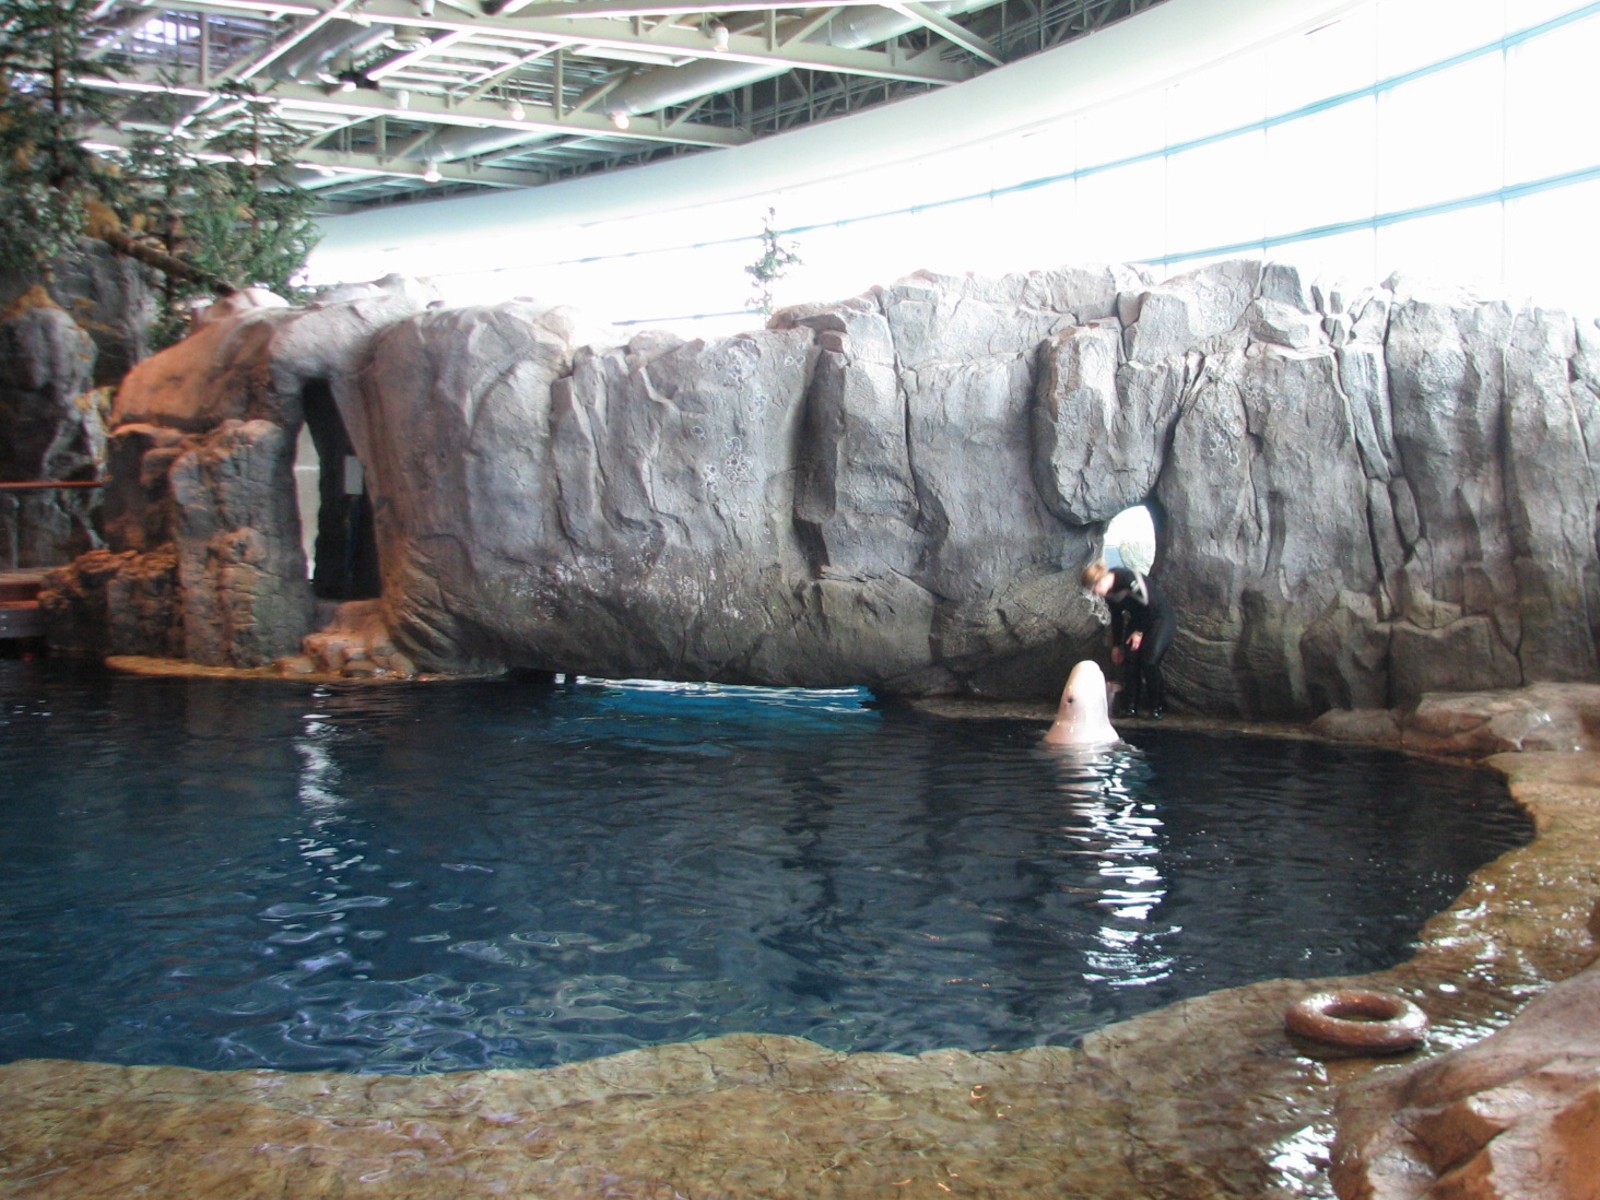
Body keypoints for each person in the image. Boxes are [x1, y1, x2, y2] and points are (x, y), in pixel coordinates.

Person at [1081, 561, 1177, 719]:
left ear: (1101, 580)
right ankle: (1131, 707)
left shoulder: (1127, 579)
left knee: (1149, 661)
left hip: (1160, 617)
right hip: (1139, 619)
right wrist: (1117, 645)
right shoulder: (1109, 593)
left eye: (1094, 590)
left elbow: (1151, 606)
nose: (1095, 594)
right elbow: (1116, 617)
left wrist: (1139, 632)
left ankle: (1157, 706)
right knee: (1130, 660)